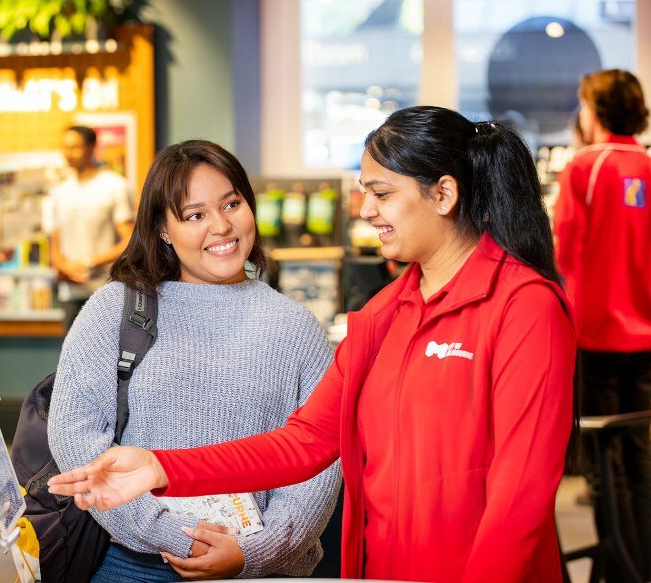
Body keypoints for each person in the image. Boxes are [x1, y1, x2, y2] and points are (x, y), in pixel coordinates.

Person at [50, 106, 578, 583]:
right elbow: (303, 444)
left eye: (382, 193)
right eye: (364, 192)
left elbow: (520, 501)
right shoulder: (382, 315)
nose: (366, 209)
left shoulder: (524, 307)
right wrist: (162, 468)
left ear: (443, 193)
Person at [47, 139, 342, 581]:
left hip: (257, 565)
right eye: (195, 215)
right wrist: (171, 535)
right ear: (163, 229)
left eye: (232, 204)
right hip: (134, 562)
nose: (221, 227)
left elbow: (321, 462)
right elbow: (75, 431)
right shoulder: (116, 309)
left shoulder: (296, 327)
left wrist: (253, 552)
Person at [553, 69, 651, 582]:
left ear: (597, 110)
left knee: (601, 457)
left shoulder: (584, 167)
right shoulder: (650, 167)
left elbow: (564, 252)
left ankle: (622, 569)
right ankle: (643, 565)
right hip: (646, 338)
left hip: (594, 337)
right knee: (639, 449)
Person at [49, 125, 135, 332]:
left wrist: (90, 262)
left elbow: (130, 240)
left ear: (91, 148)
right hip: (70, 293)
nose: (69, 153)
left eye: (75, 147)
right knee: (71, 358)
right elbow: (55, 244)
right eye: (65, 147)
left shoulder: (115, 186)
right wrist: (64, 268)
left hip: (106, 290)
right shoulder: (59, 192)